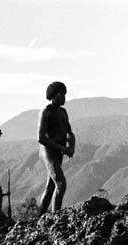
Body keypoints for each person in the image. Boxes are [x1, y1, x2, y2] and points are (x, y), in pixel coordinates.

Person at [37, 81, 75, 215]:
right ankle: (56, 216)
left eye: (65, 94)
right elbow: (41, 138)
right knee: (60, 183)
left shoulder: (63, 112)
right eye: (61, 94)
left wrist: (71, 147)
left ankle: (40, 217)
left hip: (59, 151)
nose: (64, 97)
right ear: (53, 95)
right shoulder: (46, 112)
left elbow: (70, 133)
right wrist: (62, 148)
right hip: (48, 152)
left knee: (50, 186)